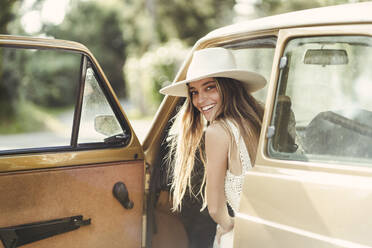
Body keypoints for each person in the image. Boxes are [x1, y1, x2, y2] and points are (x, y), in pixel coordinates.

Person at [159, 47, 266, 248]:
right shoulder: (258, 119)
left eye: (210, 88)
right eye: (194, 92)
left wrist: (227, 226)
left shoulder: (218, 132)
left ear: (229, 87)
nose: (200, 100)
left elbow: (216, 208)